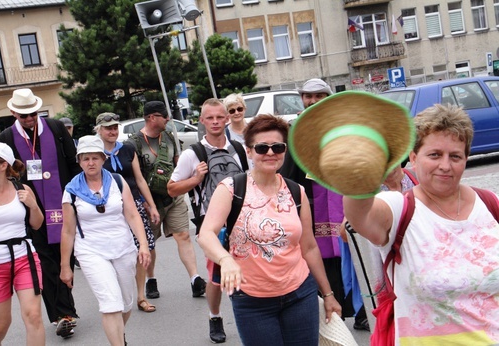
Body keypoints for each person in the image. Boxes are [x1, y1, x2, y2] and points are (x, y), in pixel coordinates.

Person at [342, 104, 499, 343]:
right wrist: (363, 171)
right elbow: (360, 215)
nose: (445, 166)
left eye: (455, 156)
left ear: (466, 159)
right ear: (414, 158)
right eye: (435, 154)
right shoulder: (399, 208)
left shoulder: (490, 204)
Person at [198, 114, 342, 345]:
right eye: (262, 147)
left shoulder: (296, 191)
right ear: (249, 151)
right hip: (252, 301)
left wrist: (328, 294)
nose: (270, 152)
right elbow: (206, 234)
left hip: (300, 294)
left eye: (277, 146)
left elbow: (309, 247)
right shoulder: (231, 188)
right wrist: (225, 260)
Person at [278, 78, 369, 328]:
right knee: (323, 261)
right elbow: (288, 175)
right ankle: (333, 315)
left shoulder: (344, 127)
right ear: (302, 100)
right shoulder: (295, 131)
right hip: (313, 207)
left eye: (319, 96)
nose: (313, 101)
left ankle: (362, 312)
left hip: (343, 204)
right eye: (308, 96)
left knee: (354, 257)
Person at [0, 88, 81, 338]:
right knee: (45, 264)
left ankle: (65, 310)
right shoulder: (5, 138)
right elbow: (3, 173)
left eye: (32, 113)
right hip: (30, 213)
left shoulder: (55, 129)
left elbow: (73, 163)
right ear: (14, 113)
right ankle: (62, 315)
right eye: (23, 116)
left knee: (64, 259)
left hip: (63, 207)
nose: (29, 119)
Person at [168, 98, 249, 344]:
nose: (215, 122)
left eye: (219, 117)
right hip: (213, 226)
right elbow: (172, 188)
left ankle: (250, 316)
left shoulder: (239, 148)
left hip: (244, 220)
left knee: (248, 272)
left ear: (227, 119)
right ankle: (215, 316)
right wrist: (195, 179)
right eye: (209, 118)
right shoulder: (193, 154)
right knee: (216, 277)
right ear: (201, 121)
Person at [60, 135, 151, 345]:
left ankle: (119, 335)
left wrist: (143, 245)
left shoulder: (117, 182)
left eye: (94, 158)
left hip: (123, 247)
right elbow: (67, 231)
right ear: (79, 161)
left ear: (103, 159)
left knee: (126, 304)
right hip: (91, 251)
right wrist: (66, 266)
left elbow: (132, 215)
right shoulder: (71, 191)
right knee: (110, 304)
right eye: (85, 158)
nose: (90, 163)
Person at [125, 101, 206, 300]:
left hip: (173, 197)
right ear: (152, 118)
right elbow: (135, 178)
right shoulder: (134, 143)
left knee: (183, 236)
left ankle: (195, 278)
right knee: (150, 244)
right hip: (149, 202)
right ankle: (150, 279)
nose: (168, 119)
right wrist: (144, 202)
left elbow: (178, 164)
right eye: (164, 116)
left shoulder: (169, 137)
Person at [0, 143, 45, 346]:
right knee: (0, 326)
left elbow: (37, 223)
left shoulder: (22, 189)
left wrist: (33, 205)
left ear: (3, 165)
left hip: (25, 258)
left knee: (33, 316)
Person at [94, 112, 160, 313]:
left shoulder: (127, 149)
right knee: (114, 252)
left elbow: (139, 179)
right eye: (108, 128)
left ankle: (140, 296)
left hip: (133, 205)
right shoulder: (94, 153)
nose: (113, 131)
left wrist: (152, 205)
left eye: (115, 127)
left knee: (143, 247)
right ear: (99, 130)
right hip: (108, 210)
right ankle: (117, 295)